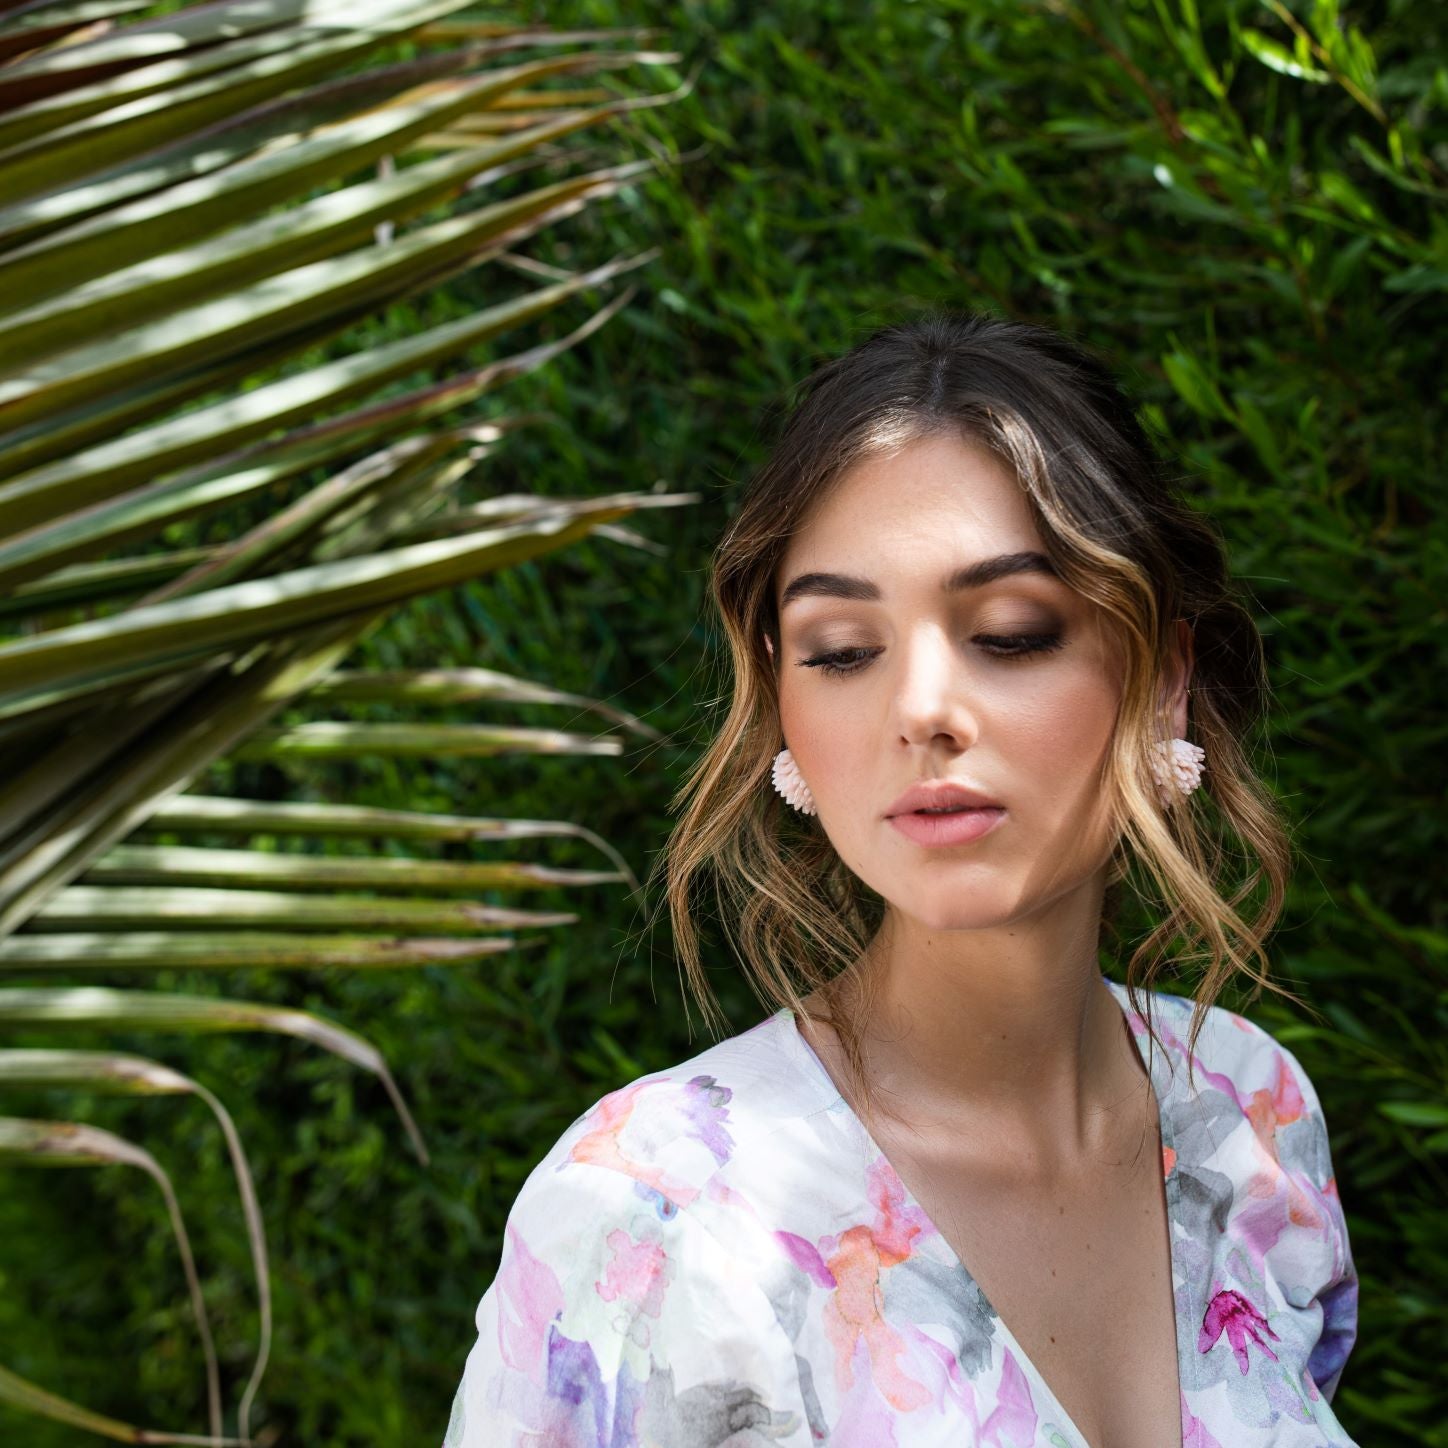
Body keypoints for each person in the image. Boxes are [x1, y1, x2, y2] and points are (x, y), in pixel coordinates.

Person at [441, 311, 1359, 1447]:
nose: (920, 708)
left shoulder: (1247, 1116)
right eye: (839, 649)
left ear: (1159, 681)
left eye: (1011, 631)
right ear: (784, 701)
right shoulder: (651, 1215)